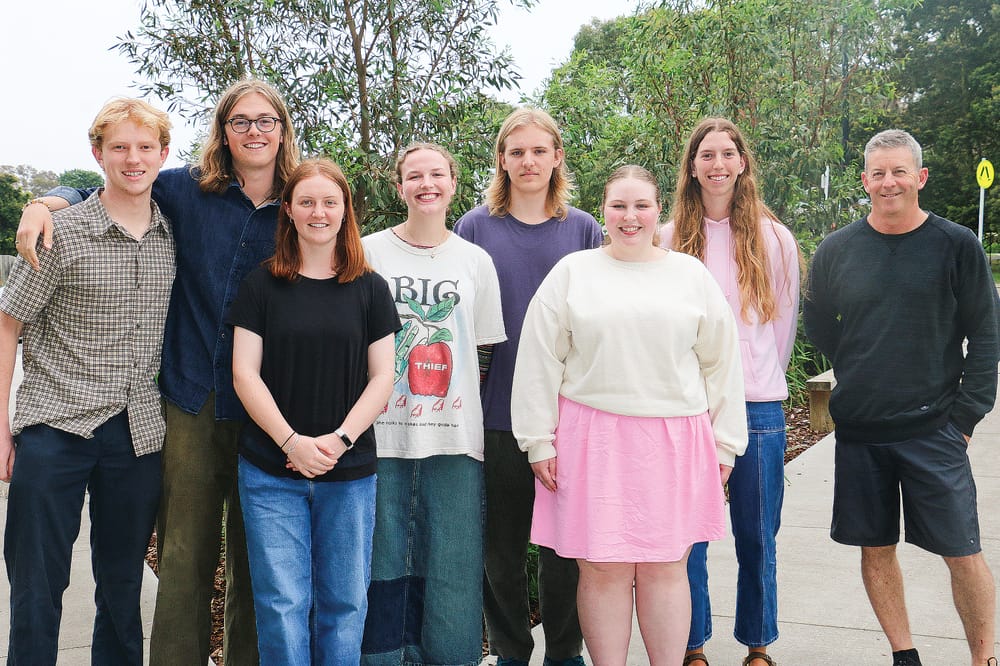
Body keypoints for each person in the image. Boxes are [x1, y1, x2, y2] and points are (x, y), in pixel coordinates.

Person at [17, 78, 301, 666]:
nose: (254, 131)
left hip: (272, 407)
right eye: (240, 121)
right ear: (223, 132)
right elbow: (116, 183)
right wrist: (49, 199)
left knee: (262, 564)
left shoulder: (303, 203)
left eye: (265, 120)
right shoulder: (185, 191)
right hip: (190, 399)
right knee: (182, 559)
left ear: (282, 130)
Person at [511, 165, 747, 665]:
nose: (630, 216)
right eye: (619, 205)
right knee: (603, 569)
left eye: (641, 205)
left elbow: (722, 364)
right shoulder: (573, 273)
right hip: (591, 438)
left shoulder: (689, 275)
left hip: (675, 438)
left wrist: (725, 443)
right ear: (603, 212)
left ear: (659, 210)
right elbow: (538, 359)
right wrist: (538, 440)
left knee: (666, 567)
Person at [803, 129, 999, 666]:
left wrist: (965, 416)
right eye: (878, 173)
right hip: (862, 431)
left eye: (899, 171)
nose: (889, 182)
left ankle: (984, 658)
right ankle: (904, 655)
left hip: (935, 429)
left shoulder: (957, 245)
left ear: (920, 177)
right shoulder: (836, 251)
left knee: (963, 552)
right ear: (864, 180)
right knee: (876, 547)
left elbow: (986, 335)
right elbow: (817, 323)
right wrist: (860, 363)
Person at [0, 98, 174, 664]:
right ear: (96, 153)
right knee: (36, 587)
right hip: (55, 428)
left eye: (145, 147)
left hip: (137, 433)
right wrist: (3, 430)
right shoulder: (59, 234)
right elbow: (7, 327)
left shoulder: (173, 236)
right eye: (119, 147)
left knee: (123, 587)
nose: (133, 158)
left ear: (163, 155)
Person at [227, 158, 400, 664]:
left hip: (348, 471)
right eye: (307, 201)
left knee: (345, 602)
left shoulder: (370, 288)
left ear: (346, 211)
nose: (318, 212)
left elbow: (383, 377)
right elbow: (244, 374)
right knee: (282, 603)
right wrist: (291, 443)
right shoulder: (262, 285)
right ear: (289, 210)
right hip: (269, 471)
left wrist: (339, 440)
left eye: (330, 202)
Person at [453, 107, 602, 666]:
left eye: (539, 150)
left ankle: (565, 653)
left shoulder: (583, 228)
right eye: (517, 152)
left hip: (568, 415)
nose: (528, 161)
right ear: (502, 160)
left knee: (564, 546)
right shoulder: (474, 227)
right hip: (495, 411)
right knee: (501, 549)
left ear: (557, 157)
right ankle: (512, 652)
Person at [360, 143, 506, 666]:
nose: (427, 184)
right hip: (379, 431)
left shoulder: (475, 260)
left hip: (455, 435)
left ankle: (449, 657)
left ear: (452, 182)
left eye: (437, 174)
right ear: (399, 186)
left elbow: (482, 348)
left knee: (452, 561)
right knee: (381, 557)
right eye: (415, 176)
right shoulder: (368, 251)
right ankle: (382, 657)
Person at [662, 118, 800, 666]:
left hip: (759, 406)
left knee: (757, 536)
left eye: (727, 153)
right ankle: (692, 646)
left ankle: (758, 647)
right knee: (688, 540)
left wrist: (758, 379)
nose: (717, 164)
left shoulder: (773, 237)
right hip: (687, 409)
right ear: (692, 167)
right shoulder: (669, 239)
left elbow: (783, 326)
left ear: (743, 162)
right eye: (706, 155)